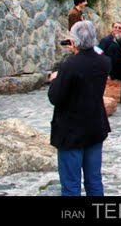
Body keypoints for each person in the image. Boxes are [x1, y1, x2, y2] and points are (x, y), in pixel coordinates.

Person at [47, 20, 111, 196]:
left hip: (71, 130)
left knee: (71, 185)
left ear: (73, 42)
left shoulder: (70, 65)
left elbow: (56, 97)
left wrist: (55, 80)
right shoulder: (104, 62)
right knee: (94, 181)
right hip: (94, 126)